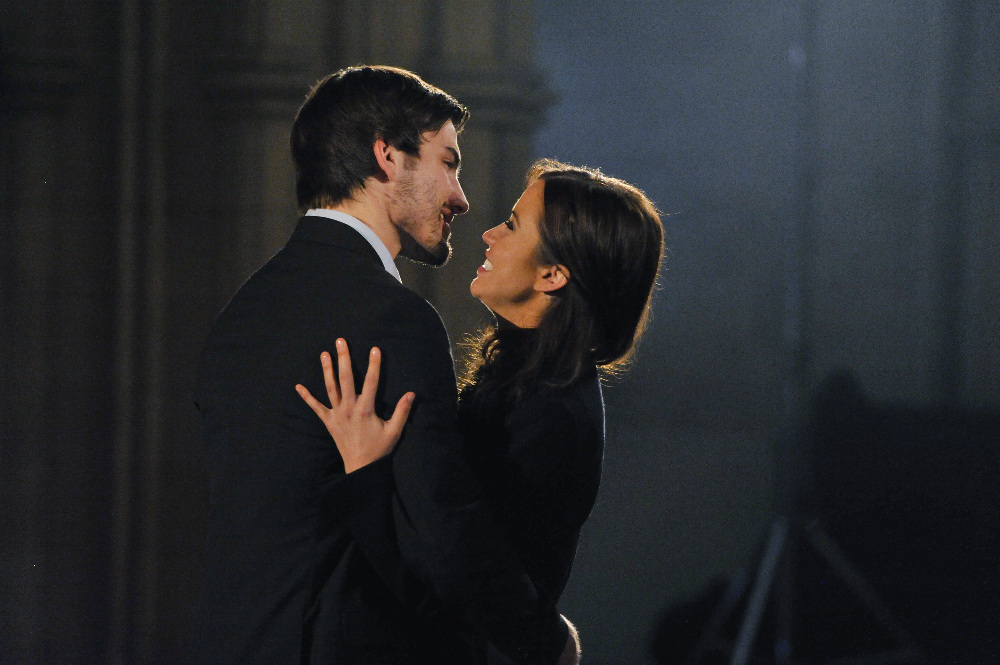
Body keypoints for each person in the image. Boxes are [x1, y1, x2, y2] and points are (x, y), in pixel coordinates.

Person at [187, 66, 579, 665]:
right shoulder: (394, 319)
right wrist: (546, 641)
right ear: (388, 157)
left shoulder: (241, 316)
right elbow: (443, 528)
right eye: (448, 163)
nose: (461, 197)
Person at [297, 159, 665, 662]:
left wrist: (365, 472)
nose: (489, 234)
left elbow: (458, 583)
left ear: (553, 275)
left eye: (512, 225)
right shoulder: (531, 379)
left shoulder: (550, 411)